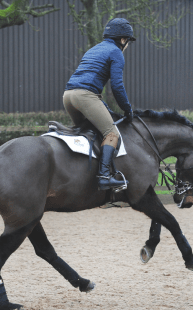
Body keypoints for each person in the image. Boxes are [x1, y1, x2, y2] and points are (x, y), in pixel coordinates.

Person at [63, 18, 135, 191]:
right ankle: (104, 176)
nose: (127, 46)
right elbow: (117, 86)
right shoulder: (116, 52)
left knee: (87, 132)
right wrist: (127, 109)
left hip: (68, 96)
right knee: (111, 134)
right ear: (123, 39)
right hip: (85, 96)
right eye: (128, 42)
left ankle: (80, 173)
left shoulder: (94, 49)